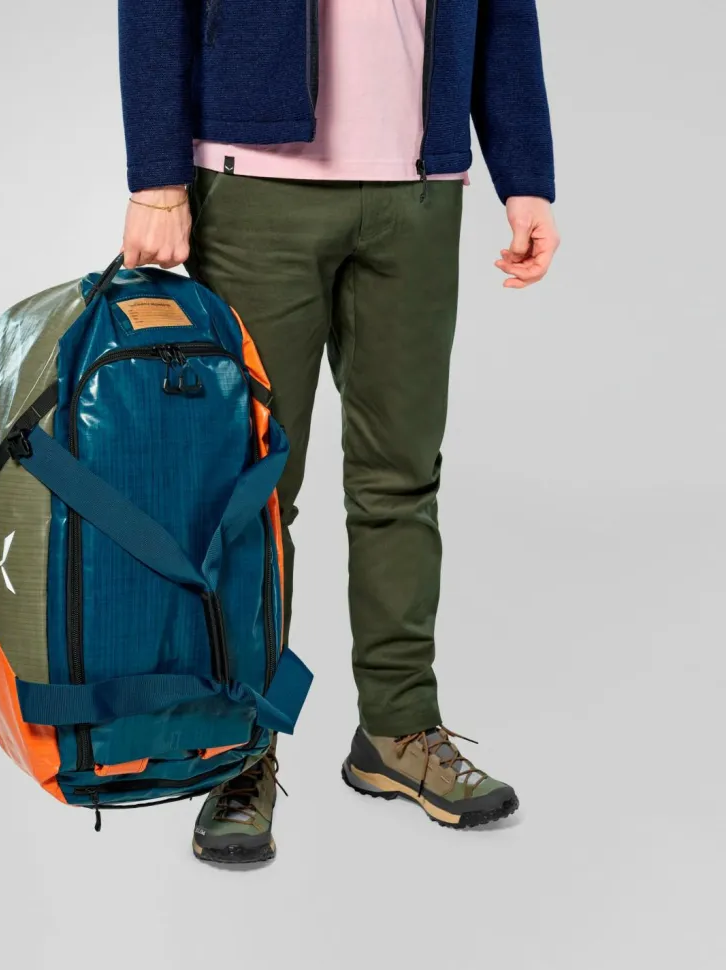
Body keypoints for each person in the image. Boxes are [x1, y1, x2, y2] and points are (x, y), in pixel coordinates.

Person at [117, 0, 559, 865]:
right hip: (254, 185)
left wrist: (527, 173)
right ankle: (237, 747)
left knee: (403, 478)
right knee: (249, 495)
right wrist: (156, 178)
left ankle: (397, 730)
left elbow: (504, 10)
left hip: (420, 189)